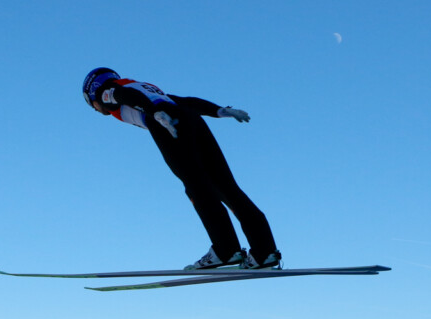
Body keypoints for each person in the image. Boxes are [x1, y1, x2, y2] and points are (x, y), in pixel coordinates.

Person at [82, 67, 281, 270]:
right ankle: (264, 252)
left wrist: (155, 113)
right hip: (192, 119)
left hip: (167, 123)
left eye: (92, 106)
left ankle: (226, 251)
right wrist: (219, 111)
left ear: (93, 93)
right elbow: (184, 101)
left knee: (197, 188)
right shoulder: (143, 86)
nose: (97, 110)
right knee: (226, 188)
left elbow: (122, 95)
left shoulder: (107, 92)